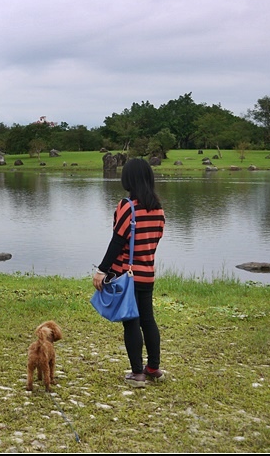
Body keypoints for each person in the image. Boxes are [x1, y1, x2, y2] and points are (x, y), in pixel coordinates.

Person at [93, 158, 166, 388]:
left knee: (131, 323)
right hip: (148, 273)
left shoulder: (127, 206)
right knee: (148, 320)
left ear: (128, 179)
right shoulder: (158, 209)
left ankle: (137, 374)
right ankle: (153, 368)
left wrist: (101, 270)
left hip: (128, 275)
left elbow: (117, 241)